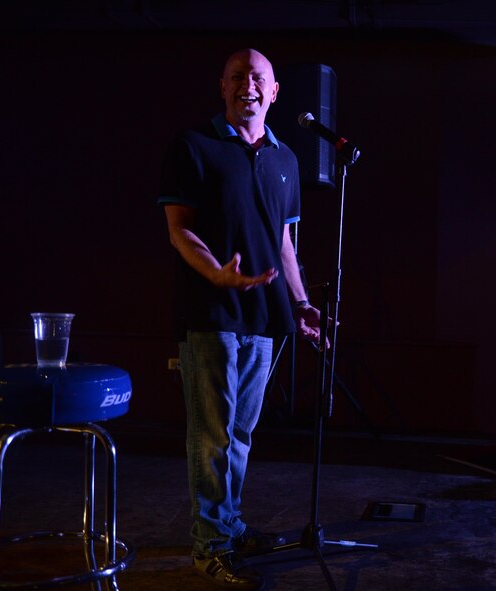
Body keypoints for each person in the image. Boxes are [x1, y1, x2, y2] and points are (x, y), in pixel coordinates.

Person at [158, 48, 323, 590]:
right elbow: (180, 228)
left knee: (242, 432)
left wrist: (299, 304)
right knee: (213, 435)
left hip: (265, 318)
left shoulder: (285, 160)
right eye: (236, 77)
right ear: (222, 87)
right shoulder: (194, 145)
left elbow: (284, 244)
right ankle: (210, 548)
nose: (246, 85)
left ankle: (226, 526)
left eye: (257, 78)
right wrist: (217, 274)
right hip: (211, 312)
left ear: (274, 92)